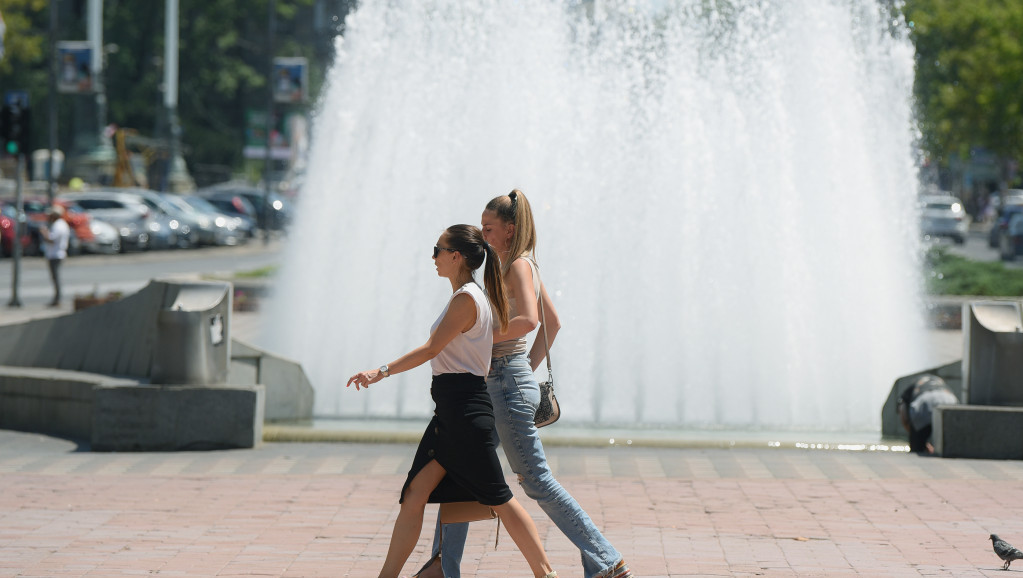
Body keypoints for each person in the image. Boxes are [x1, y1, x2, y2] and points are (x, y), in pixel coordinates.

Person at [417, 191, 633, 578]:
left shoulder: (517, 265)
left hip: (504, 382)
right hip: (506, 379)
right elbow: (555, 321)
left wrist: (484, 345)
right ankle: (441, 566)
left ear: (509, 230)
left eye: (488, 228)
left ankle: (607, 561)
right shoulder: (520, 264)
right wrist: (523, 370)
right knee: (462, 470)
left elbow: (532, 321)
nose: (482, 235)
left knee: (534, 479)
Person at [346, 224, 558, 578]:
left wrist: (380, 371)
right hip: (451, 410)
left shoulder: (466, 300)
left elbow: (431, 349)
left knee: (500, 499)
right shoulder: (470, 294)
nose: (433, 257)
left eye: (438, 250)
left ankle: (546, 573)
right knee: (415, 494)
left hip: (464, 413)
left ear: (456, 256)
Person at [897, 374, 958, 454]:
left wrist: (913, 432)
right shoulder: (940, 382)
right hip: (950, 399)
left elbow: (903, 410)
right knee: (952, 446)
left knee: (917, 449)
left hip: (924, 401)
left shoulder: (914, 384)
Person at [39, 205, 71, 308]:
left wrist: (44, 233)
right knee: (55, 278)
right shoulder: (61, 224)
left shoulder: (58, 225)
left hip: (56, 254)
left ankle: (57, 299)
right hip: (56, 253)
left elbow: (51, 240)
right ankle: (57, 298)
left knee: (56, 278)